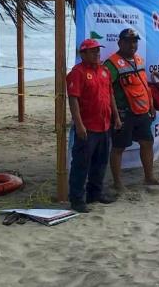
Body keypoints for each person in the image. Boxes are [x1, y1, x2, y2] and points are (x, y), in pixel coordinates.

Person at [67, 39, 122, 213]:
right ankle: (77, 199)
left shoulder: (105, 70)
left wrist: (117, 117)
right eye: (92, 51)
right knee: (81, 164)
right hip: (88, 127)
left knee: (100, 163)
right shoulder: (77, 72)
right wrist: (79, 124)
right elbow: (73, 99)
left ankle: (95, 194)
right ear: (82, 54)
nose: (97, 54)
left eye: (98, 51)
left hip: (105, 125)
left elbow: (110, 96)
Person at [104, 28, 159, 192]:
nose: (132, 45)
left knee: (147, 142)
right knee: (118, 148)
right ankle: (117, 182)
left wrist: (151, 105)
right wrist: (115, 115)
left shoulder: (139, 60)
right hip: (124, 114)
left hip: (142, 112)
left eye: (135, 41)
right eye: (128, 41)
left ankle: (149, 177)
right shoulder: (111, 64)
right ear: (120, 43)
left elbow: (145, 86)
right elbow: (108, 92)